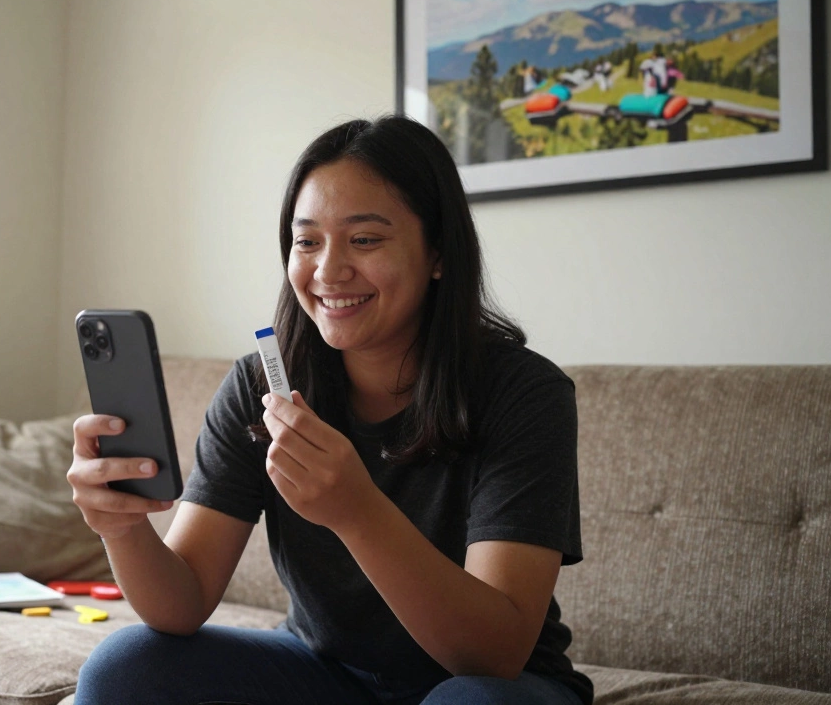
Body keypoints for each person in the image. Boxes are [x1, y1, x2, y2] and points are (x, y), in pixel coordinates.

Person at [67, 116, 592, 705]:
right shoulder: (261, 386)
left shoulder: (525, 393)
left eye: (364, 240)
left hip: (493, 687)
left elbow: (493, 656)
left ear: (439, 253)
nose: (327, 270)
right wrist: (122, 525)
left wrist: (356, 511)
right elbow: (181, 602)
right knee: (125, 667)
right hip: (324, 674)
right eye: (307, 240)